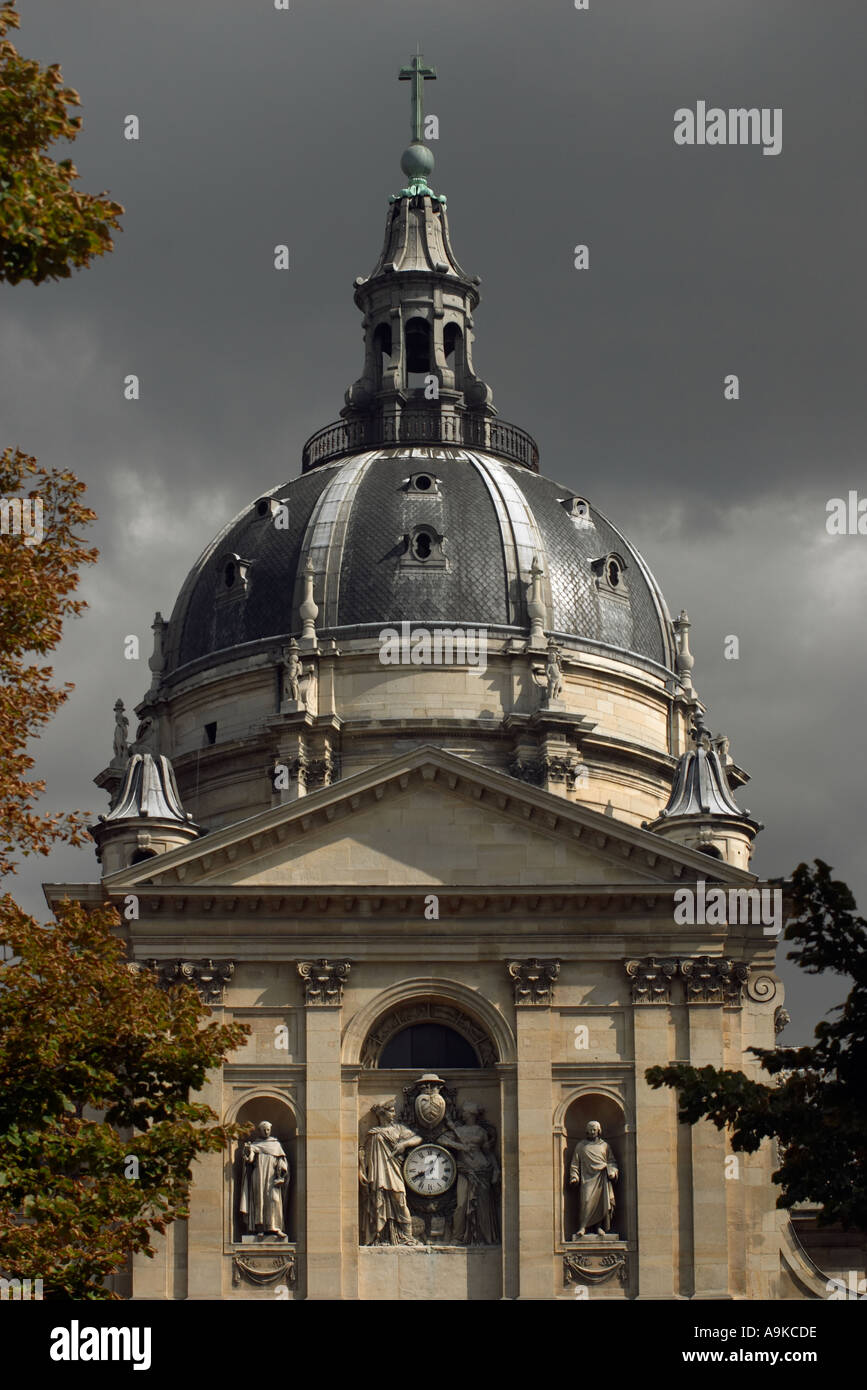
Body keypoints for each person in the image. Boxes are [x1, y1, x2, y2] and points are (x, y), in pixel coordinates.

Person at [359, 1101, 422, 1246]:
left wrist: (404, 1144)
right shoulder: (373, 1133)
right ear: (382, 1113)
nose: (394, 1114)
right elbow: (362, 1151)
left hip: (393, 1170)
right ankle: (379, 1237)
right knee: (377, 1201)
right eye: (391, 1111)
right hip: (377, 1172)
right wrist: (361, 1170)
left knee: (400, 1200)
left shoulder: (398, 1129)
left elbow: (417, 1138)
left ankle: (407, 1236)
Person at [443, 1101, 500, 1246]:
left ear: (470, 1114)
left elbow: (488, 1153)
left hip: (481, 1169)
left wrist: (496, 1169)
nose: (462, 1114)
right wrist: (460, 1146)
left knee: (483, 1206)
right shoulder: (458, 1130)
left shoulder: (481, 1131)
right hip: (465, 1171)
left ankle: (483, 1238)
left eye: (464, 1112)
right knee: (461, 1204)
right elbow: (442, 1139)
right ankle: (458, 1237)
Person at [569, 1120, 618, 1237]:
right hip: (587, 1179)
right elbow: (575, 1163)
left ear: (598, 1131)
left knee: (602, 1203)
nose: (592, 1132)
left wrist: (612, 1172)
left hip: (601, 1177)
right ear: (586, 1131)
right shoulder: (581, 1146)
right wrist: (574, 1176)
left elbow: (611, 1161)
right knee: (586, 1201)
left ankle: (599, 1227)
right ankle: (583, 1226)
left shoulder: (605, 1146)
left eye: (594, 1129)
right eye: (590, 1130)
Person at [240, 1120, 289, 1236]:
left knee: (274, 1200)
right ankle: (260, 1228)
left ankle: (275, 1227)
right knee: (259, 1200)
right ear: (259, 1130)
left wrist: (281, 1176)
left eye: (268, 1129)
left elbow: (281, 1161)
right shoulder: (254, 1145)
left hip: (272, 1177)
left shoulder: (276, 1145)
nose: (266, 1132)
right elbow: (250, 1160)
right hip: (259, 1176)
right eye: (264, 1130)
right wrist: (247, 1152)